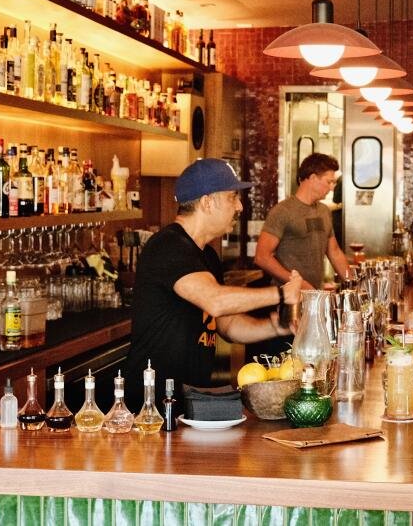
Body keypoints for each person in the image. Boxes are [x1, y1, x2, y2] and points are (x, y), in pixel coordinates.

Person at [123, 159, 303, 409]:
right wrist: (282, 294)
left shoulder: (207, 255)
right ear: (207, 202)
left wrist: (277, 328)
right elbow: (215, 301)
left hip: (190, 399)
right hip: (151, 403)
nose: (239, 206)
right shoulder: (168, 246)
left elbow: (228, 325)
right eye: (232, 197)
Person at [255, 153, 349, 290]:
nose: (331, 188)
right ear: (313, 178)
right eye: (328, 182)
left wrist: (353, 283)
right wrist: (298, 283)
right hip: (288, 295)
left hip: (315, 294)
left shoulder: (324, 211)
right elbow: (262, 257)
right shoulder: (283, 211)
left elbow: (334, 252)